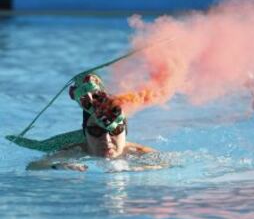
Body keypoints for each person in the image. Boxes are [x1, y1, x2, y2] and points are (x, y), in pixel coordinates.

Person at [22, 73, 156, 172]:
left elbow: (165, 164)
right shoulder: (74, 152)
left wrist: (139, 169)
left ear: (125, 132)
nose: (106, 139)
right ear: (85, 132)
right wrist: (59, 167)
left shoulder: (139, 153)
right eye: (95, 131)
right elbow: (33, 167)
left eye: (114, 130)